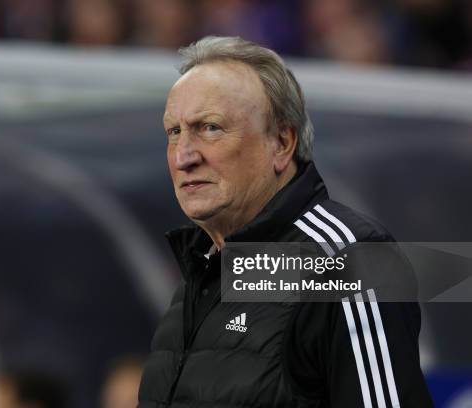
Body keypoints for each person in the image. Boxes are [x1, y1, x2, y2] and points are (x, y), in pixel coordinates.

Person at [137, 36, 433, 407]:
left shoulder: (344, 260)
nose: (183, 156)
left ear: (281, 142)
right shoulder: (200, 278)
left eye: (209, 127)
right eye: (174, 132)